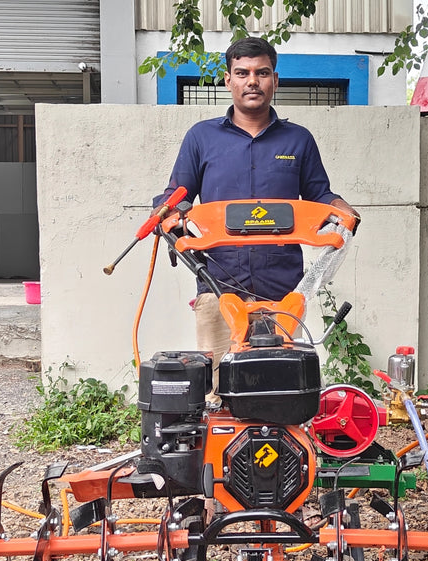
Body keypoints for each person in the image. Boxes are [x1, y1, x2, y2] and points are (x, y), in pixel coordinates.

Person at [154, 36, 359, 395]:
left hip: (283, 290)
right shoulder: (201, 138)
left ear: (275, 81)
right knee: (218, 391)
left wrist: (341, 208)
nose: (253, 81)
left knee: (280, 389)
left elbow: (319, 195)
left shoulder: (298, 140)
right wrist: (169, 210)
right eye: (243, 72)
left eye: (262, 72)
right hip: (217, 286)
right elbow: (177, 194)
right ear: (228, 79)